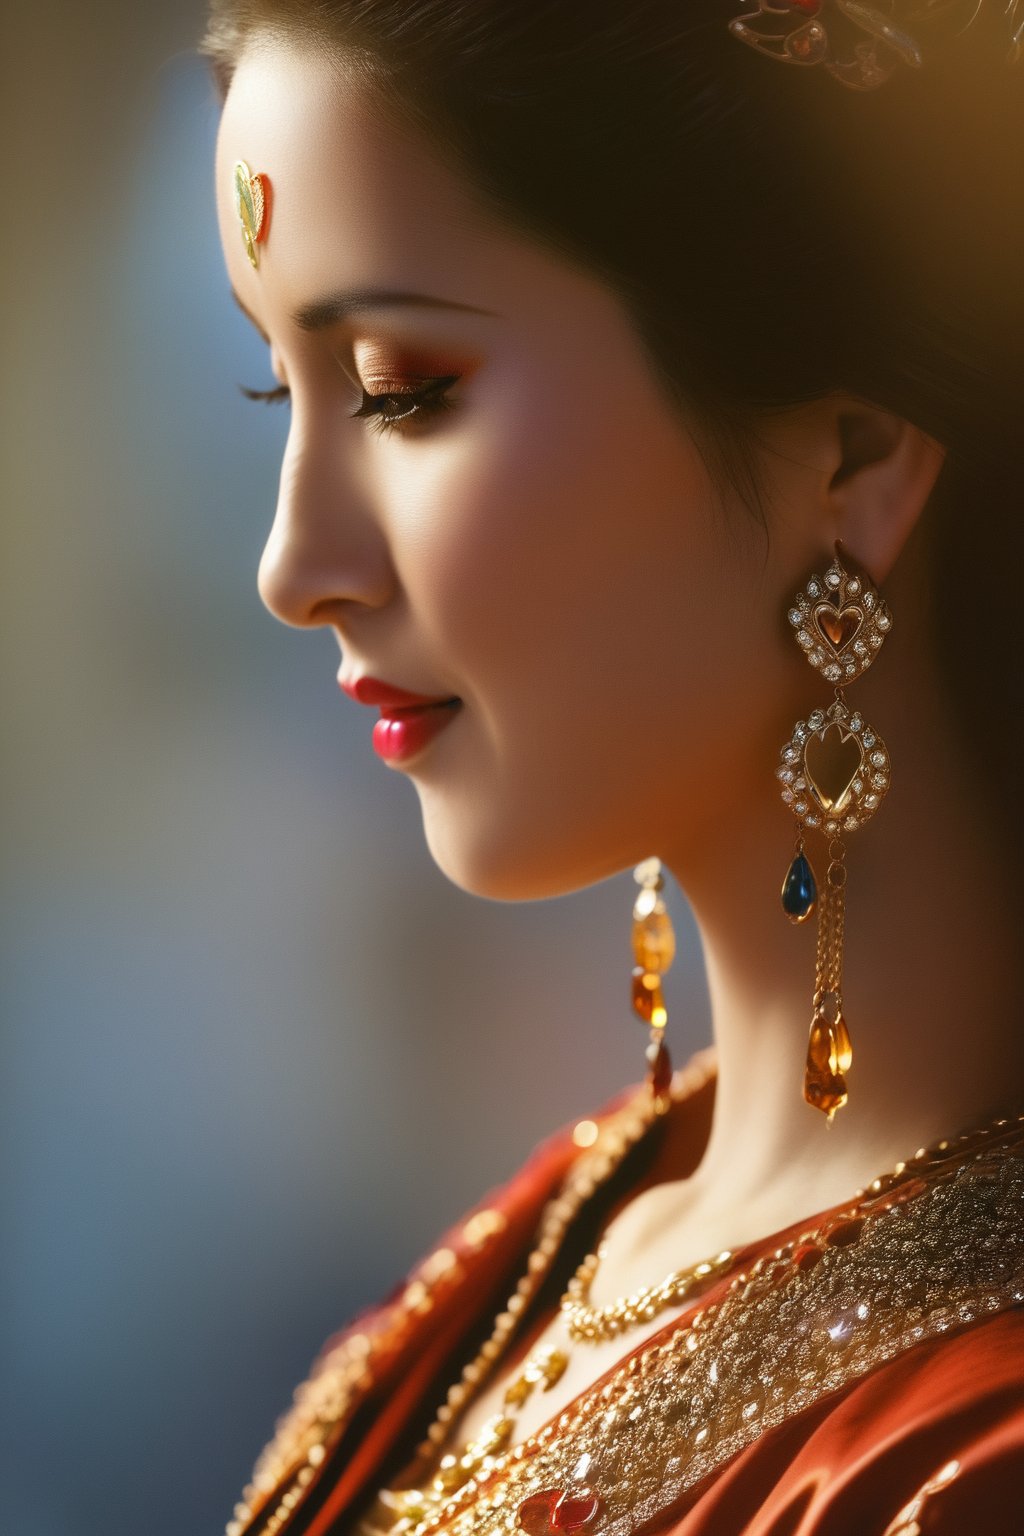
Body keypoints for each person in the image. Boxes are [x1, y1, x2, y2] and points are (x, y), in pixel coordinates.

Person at [201, 3, 1024, 1533]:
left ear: (850, 449)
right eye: (278, 394)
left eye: (401, 389)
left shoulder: (973, 1452)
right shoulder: (557, 1244)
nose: (293, 565)